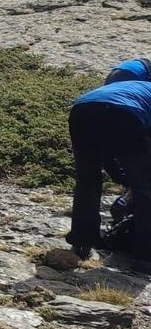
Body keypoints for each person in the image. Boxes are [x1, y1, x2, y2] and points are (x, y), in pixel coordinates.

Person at [65, 78, 151, 269]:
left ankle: (82, 242)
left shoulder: (136, 86)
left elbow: (112, 156)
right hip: (124, 114)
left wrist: (124, 178)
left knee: (87, 180)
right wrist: (133, 183)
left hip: (82, 110)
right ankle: (145, 257)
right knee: (146, 187)